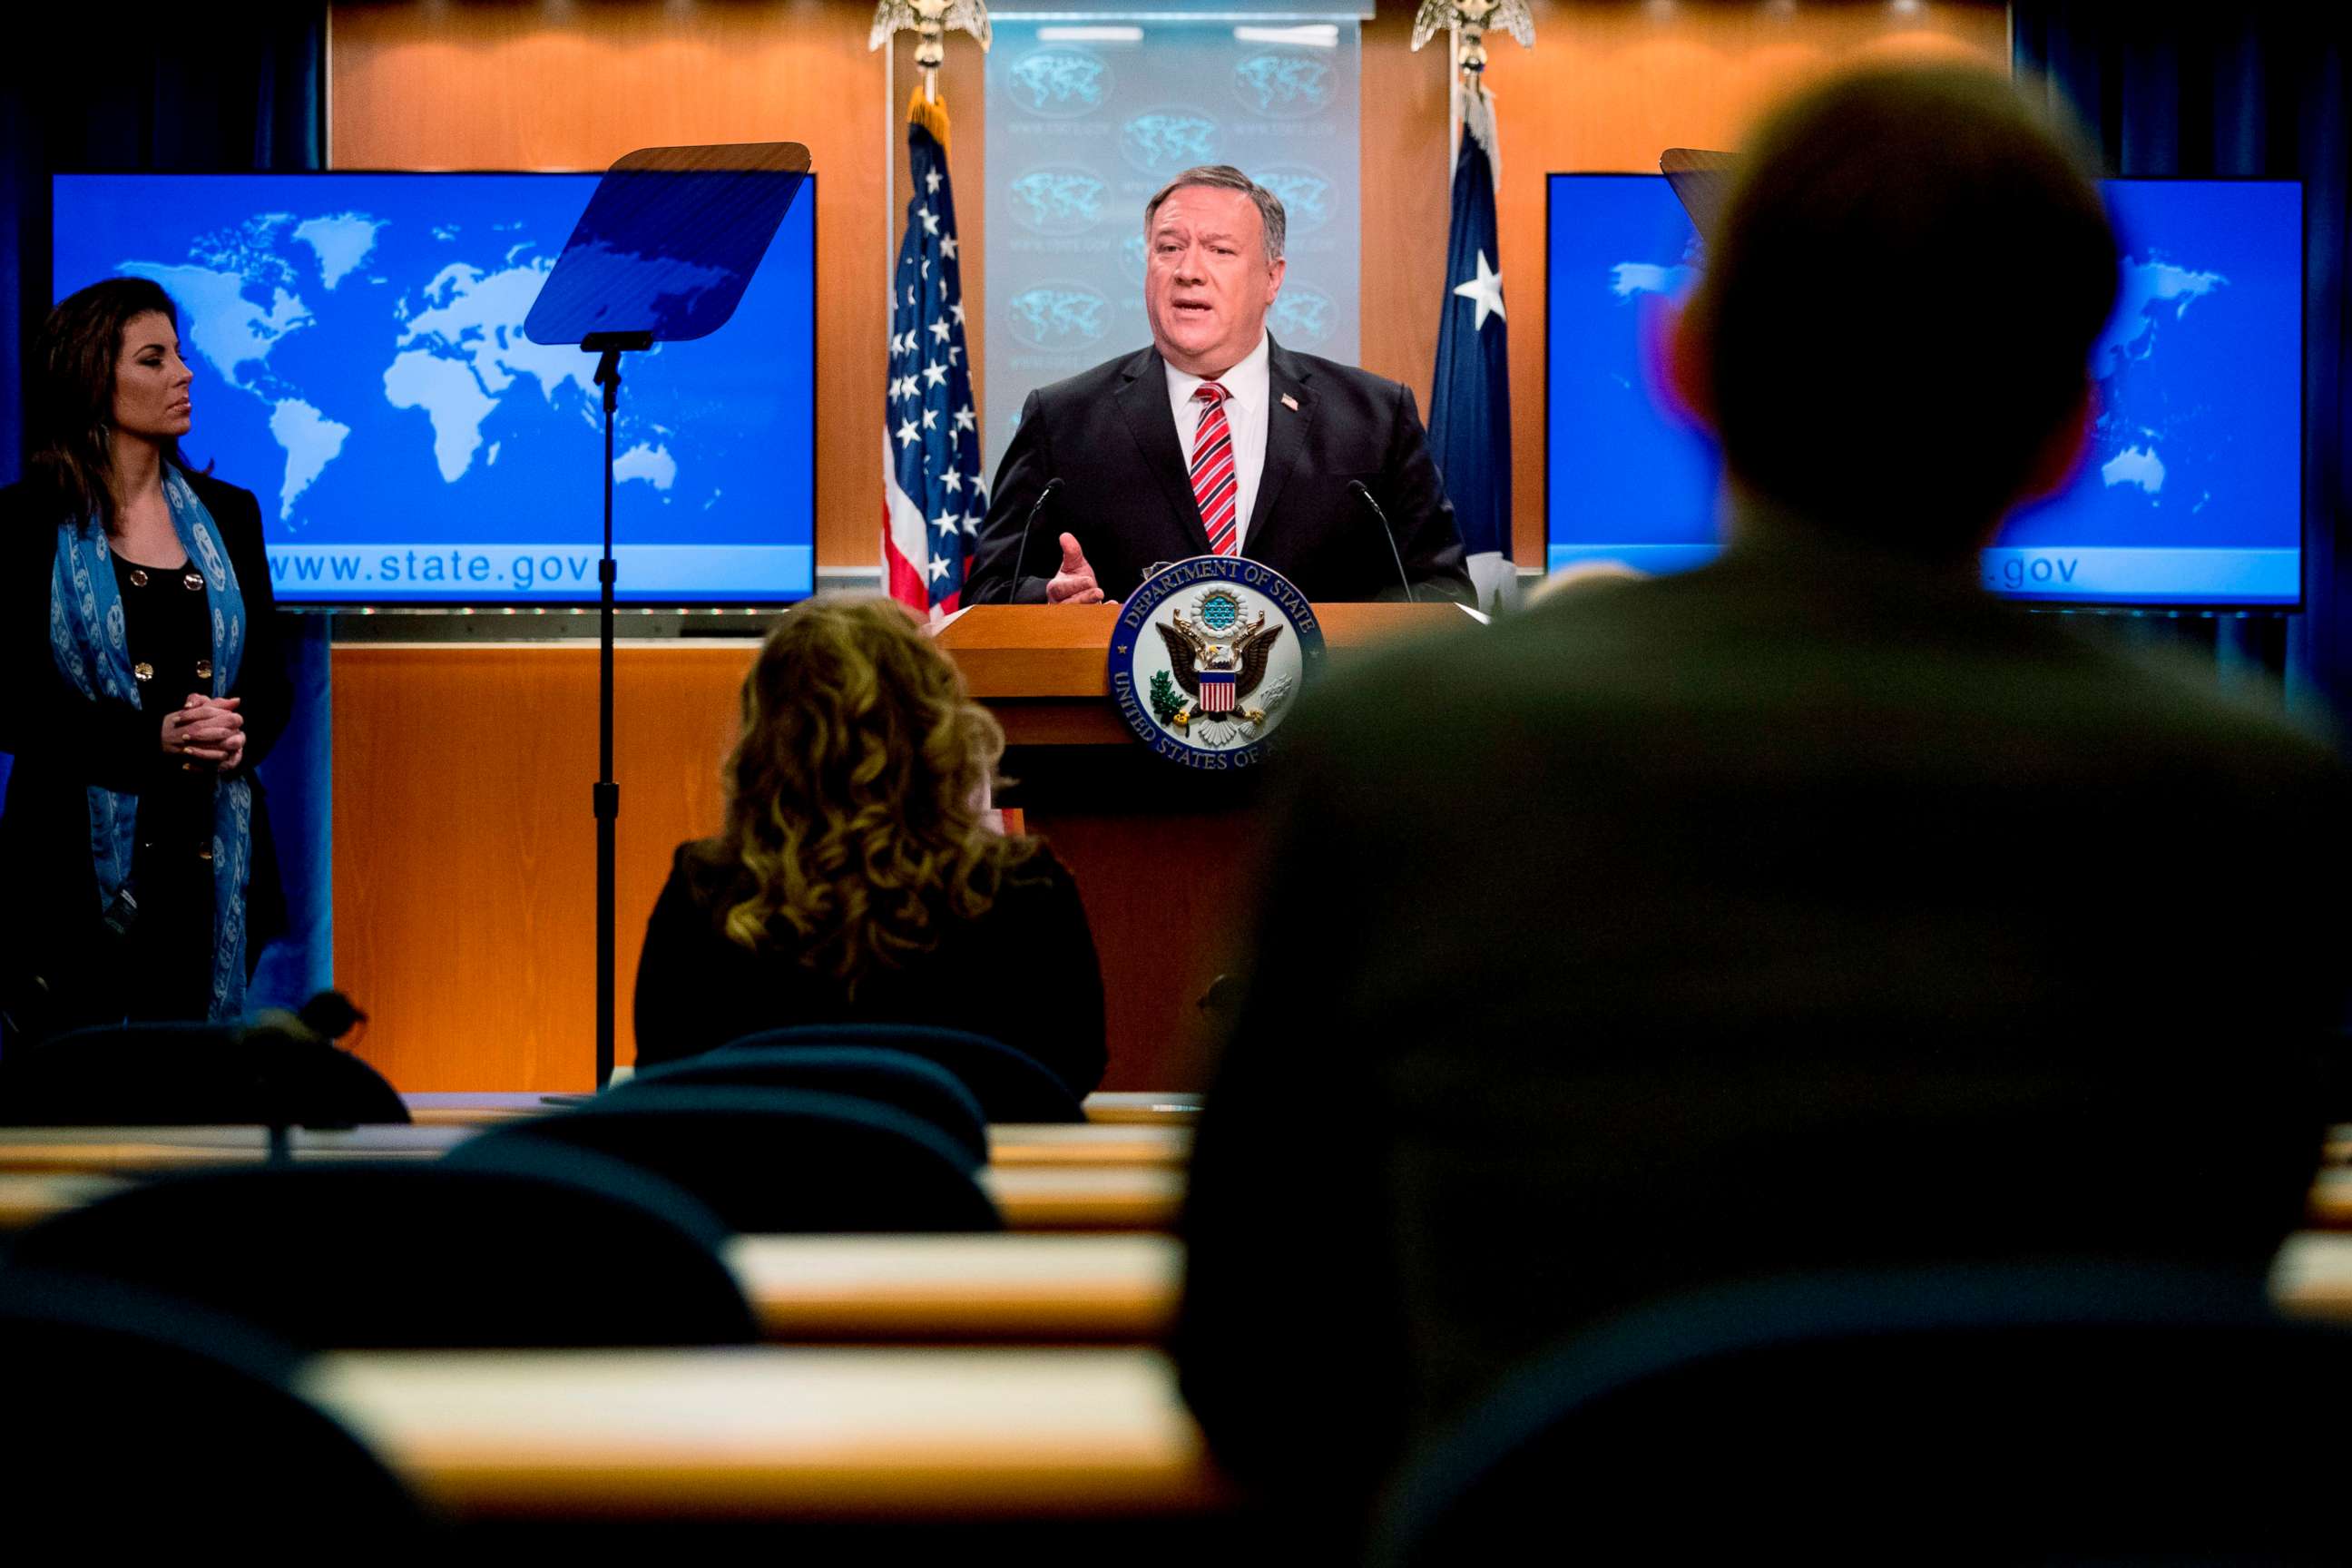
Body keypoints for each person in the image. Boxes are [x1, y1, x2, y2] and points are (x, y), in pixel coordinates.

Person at [1173, 64, 2351, 1518]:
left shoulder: (1407, 749)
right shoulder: (2261, 804)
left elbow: (1256, 1367)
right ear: (2070, 432)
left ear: (1687, 369)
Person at [632, 596, 1107, 1095]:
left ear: (765, 738)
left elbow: (665, 1076)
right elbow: (1075, 1070)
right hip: (968, 1172)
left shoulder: (705, 890)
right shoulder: (1027, 888)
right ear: (939, 725)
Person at [965, 164, 1475, 607]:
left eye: (1220, 250)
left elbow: (1441, 595)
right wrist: (1048, 600)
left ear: (1272, 279)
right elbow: (988, 590)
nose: (1189, 271)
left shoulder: (1375, 420)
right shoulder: (1062, 420)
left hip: (1322, 717)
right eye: (1169, 248)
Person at [0, 279, 289, 1041]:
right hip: (69, 886)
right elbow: (5, 699)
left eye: (181, 356)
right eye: (154, 359)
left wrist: (237, 730)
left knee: (202, 1114)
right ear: (95, 376)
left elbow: (270, 681)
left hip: (209, 863)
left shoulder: (232, 513)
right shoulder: (21, 521)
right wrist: (147, 741)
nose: (184, 374)